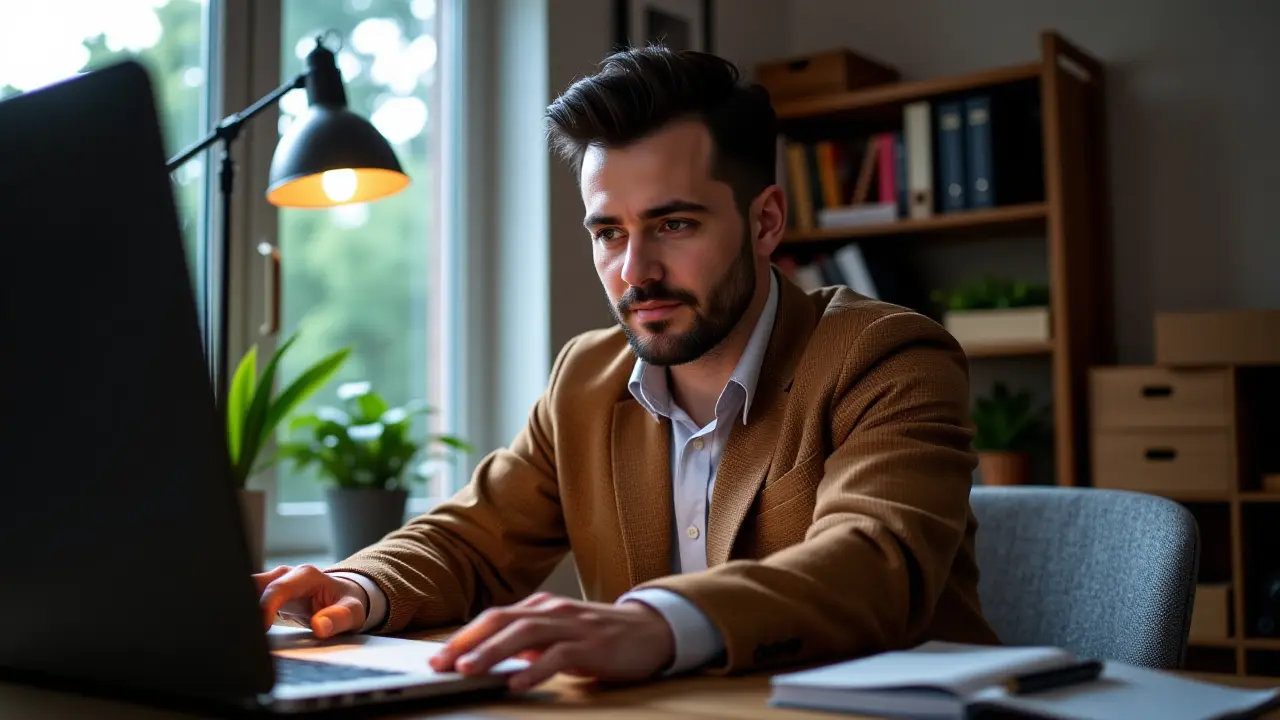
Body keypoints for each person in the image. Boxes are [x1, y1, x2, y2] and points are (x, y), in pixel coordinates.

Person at [256, 45, 999, 692]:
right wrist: (357, 584)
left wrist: (656, 625)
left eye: (674, 224)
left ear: (765, 222)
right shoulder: (586, 378)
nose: (634, 271)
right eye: (609, 232)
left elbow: (873, 568)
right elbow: (472, 541)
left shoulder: (889, 357)